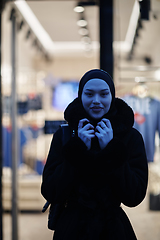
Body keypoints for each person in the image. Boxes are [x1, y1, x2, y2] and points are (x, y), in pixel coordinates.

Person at [41, 69, 148, 240]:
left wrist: (111, 149)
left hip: (113, 229)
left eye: (104, 94)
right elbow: (50, 191)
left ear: (112, 97)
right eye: (89, 94)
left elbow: (134, 195)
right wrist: (77, 149)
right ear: (80, 95)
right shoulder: (65, 135)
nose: (96, 101)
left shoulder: (130, 136)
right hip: (72, 229)